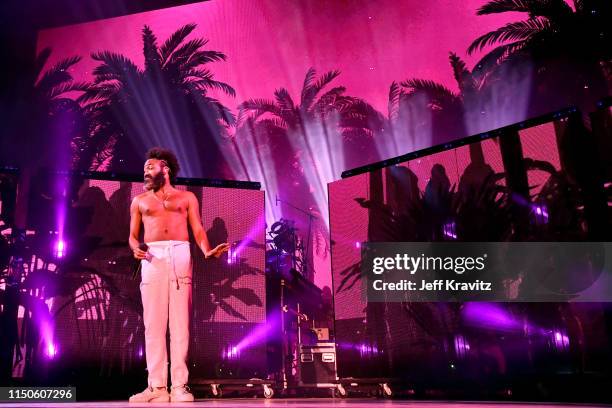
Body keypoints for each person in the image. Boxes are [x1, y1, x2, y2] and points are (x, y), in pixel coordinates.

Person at [128, 147, 229, 403]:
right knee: (154, 324)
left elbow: (197, 228)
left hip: (180, 253)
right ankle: (157, 388)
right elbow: (132, 235)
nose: (146, 171)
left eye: (150, 166)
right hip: (152, 256)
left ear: (165, 167)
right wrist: (135, 248)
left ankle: (179, 386)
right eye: (144, 169)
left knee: (180, 323)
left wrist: (207, 250)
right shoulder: (139, 201)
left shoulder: (186, 198)